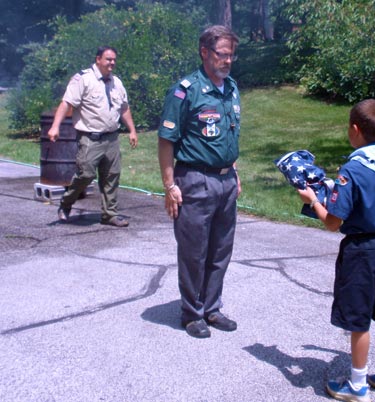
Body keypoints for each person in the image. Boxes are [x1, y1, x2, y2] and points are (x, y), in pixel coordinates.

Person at [297, 99, 375, 401]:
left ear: (354, 129)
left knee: (358, 318)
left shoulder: (352, 169)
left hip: (362, 250)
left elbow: (334, 223)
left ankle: (357, 384)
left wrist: (314, 201)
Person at [158, 25, 241, 339]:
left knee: (221, 249)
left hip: (225, 181)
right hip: (194, 179)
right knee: (194, 251)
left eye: (232, 55)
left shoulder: (231, 88)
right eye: (222, 54)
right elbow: (166, 140)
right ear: (205, 52)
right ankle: (192, 313)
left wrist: (235, 173)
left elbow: (228, 135)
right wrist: (170, 187)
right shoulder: (185, 90)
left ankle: (211, 307)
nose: (228, 61)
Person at [48, 46, 138, 227]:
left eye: (114, 60)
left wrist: (132, 130)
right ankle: (66, 203)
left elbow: (124, 108)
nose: (112, 63)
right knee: (86, 174)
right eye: (108, 59)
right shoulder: (83, 79)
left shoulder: (117, 82)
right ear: (98, 59)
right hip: (90, 138)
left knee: (112, 176)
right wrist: (55, 126)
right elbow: (66, 103)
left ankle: (109, 215)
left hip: (112, 138)